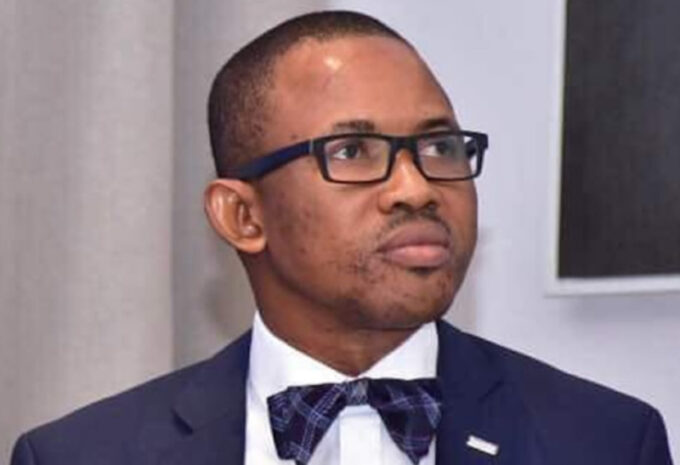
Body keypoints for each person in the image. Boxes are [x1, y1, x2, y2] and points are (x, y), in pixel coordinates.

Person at [11, 10, 673, 465]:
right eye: (353, 151)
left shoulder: (606, 441)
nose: (416, 187)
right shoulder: (82, 455)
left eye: (439, 147)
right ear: (243, 216)